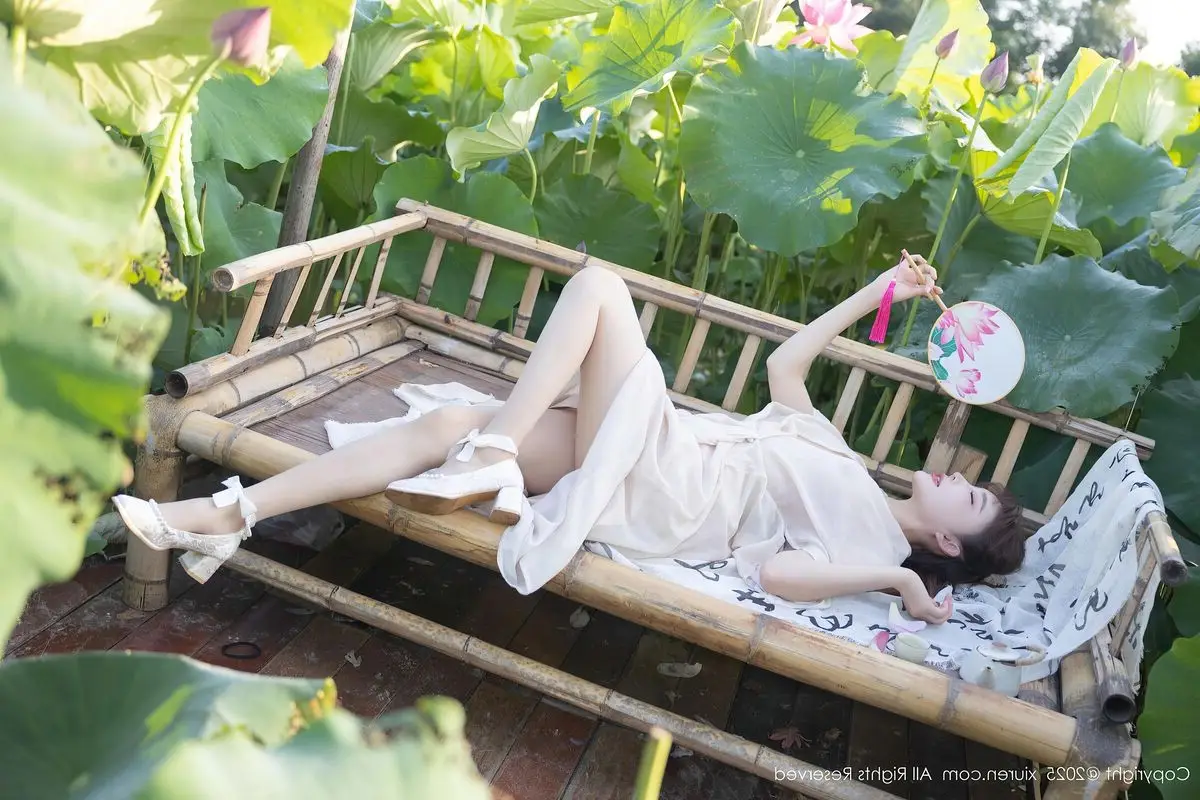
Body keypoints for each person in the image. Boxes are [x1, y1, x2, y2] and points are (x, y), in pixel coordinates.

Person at [115, 253, 1023, 623]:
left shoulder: (876, 542)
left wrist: (899, 581)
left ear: (950, 543)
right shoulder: (841, 455)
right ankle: (232, 514)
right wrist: (882, 289)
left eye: (971, 497)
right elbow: (788, 366)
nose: (955, 474)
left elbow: (778, 577)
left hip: (676, 490)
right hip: (656, 450)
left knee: (597, 287)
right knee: (443, 423)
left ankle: (493, 457)